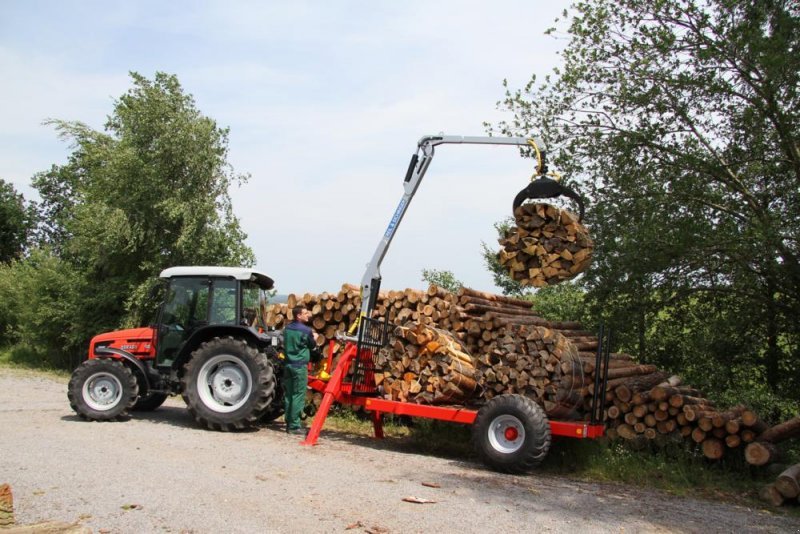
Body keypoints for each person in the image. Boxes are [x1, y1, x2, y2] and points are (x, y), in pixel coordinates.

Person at [282, 305, 319, 434]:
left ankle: (288, 420)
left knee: (289, 394)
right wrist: (314, 337)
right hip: (299, 366)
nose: (308, 315)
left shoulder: (287, 328)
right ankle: (294, 426)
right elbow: (312, 345)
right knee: (298, 395)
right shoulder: (306, 330)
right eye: (305, 313)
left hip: (288, 364)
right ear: (298, 316)